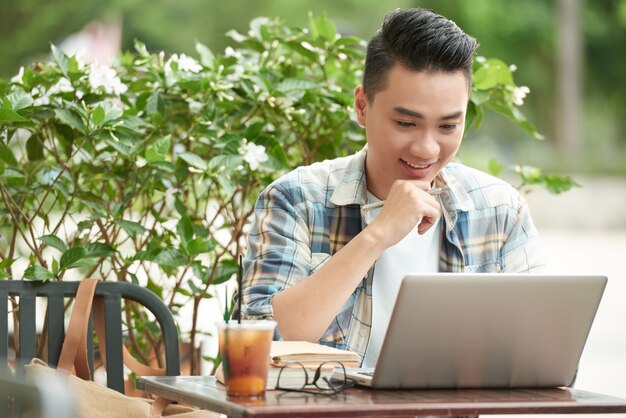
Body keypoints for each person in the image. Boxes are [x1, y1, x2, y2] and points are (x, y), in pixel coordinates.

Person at [238, 8, 545, 367]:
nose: (426, 149)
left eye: (447, 127)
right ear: (362, 107)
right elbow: (258, 346)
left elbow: (538, 353)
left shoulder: (500, 209)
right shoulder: (295, 199)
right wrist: (378, 234)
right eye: (406, 123)